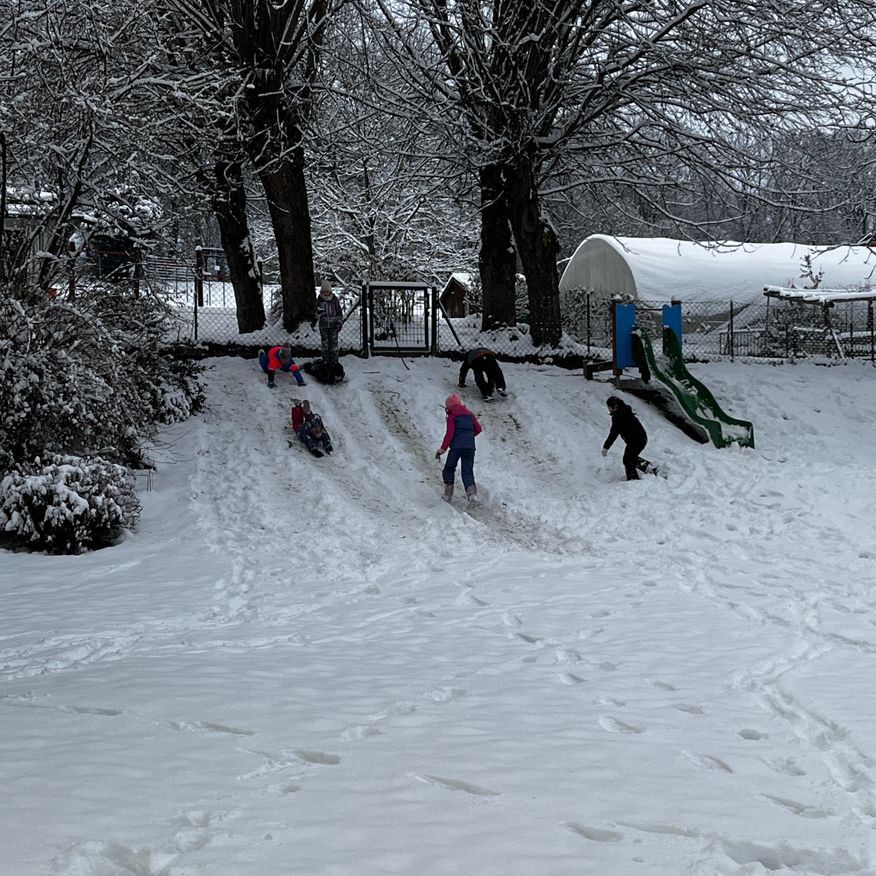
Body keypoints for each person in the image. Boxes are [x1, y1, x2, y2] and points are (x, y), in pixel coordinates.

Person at [435, 393, 483, 504]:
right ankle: (472, 495)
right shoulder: (470, 415)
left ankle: (448, 494)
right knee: (467, 471)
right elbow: (478, 429)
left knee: (449, 468)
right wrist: (468, 436)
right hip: (470, 448)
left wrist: (442, 449)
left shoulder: (452, 416)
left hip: (456, 448)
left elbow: (449, 434)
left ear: (449, 407)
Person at [602, 395, 648, 481]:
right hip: (641, 438)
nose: (608, 409)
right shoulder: (624, 411)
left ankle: (633, 479)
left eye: (609, 407)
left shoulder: (618, 416)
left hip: (636, 440)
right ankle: (650, 468)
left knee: (627, 460)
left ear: (615, 406)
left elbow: (613, 434)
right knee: (631, 458)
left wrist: (606, 447)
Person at [314, 280, 343, 367]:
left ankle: (334, 362)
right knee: (325, 344)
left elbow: (339, 312)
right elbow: (315, 313)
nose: (326, 293)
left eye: (327, 291)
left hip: (334, 326)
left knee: (334, 345)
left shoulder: (334, 300)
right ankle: (326, 361)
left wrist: (339, 322)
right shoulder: (319, 300)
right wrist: (319, 313)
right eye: (324, 292)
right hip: (323, 326)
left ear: (330, 291)